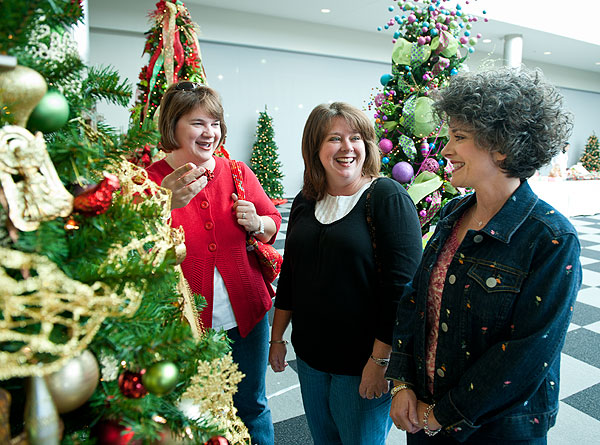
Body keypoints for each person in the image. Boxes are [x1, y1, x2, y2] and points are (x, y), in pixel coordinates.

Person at [386, 67, 582, 444]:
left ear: (503, 145)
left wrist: (441, 414)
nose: (445, 149)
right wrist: (403, 383)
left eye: (459, 137)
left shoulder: (551, 239)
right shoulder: (453, 214)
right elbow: (415, 299)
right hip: (425, 416)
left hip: (493, 430)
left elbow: (525, 354)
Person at [269, 102, 423, 445]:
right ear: (315, 148)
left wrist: (380, 362)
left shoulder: (386, 198)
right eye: (334, 139)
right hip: (310, 358)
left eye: (356, 138)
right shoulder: (306, 200)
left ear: (367, 145)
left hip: (361, 363)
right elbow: (291, 276)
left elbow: (402, 293)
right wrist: (277, 337)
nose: (347, 147)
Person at [146, 81, 281, 445]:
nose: (209, 133)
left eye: (215, 123)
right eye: (197, 123)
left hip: (247, 317)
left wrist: (257, 223)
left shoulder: (236, 171)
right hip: (184, 325)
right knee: (192, 411)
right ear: (172, 125)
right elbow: (134, 247)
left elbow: (272, 223)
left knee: (252, 405)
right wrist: (163, 205)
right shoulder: (150, 180)